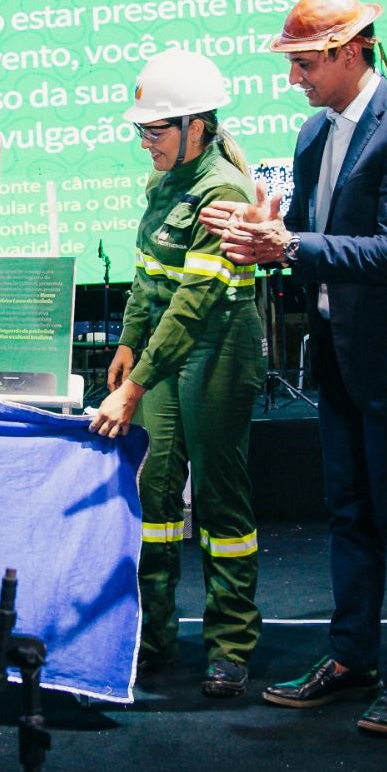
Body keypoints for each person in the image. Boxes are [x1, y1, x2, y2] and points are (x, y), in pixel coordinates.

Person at [199, 0, 387, 734]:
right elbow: (316, 240)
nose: (294, 78)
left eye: (304, 63)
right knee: (350, 514)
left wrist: (287, 245)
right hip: (342, 354)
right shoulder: (315, 133)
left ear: (351, 50)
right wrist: (265, 231)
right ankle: (353, 658)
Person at [88, 48, 265, 698]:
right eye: (141, 130)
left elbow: (194, 302)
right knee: (154, 495)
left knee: (220, 499)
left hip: (218, 347)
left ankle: (230, 645)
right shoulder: (162, 183)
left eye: (154, 129)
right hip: (163, 352)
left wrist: (136, 384)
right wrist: (128, 342)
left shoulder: (224, 189)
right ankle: (155, 637)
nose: (145, 142)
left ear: (196, 125)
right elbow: (148, 276)